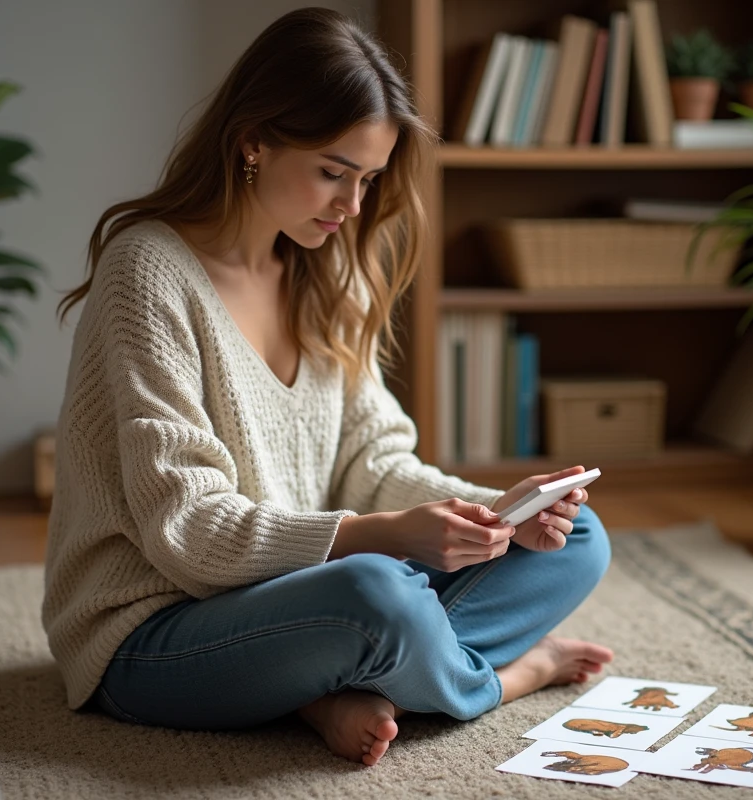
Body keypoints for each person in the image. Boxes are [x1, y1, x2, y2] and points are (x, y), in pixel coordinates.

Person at [43, 6, 614, 768]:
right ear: (254, 141)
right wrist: (386, 535)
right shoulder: (146, 272)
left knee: (577, 538)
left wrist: (497, 514)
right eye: (331, 173)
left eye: (368, 179)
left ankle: (329, 685)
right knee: (378, 594)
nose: (351, 207)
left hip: (299, 597)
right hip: (153, 632)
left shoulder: (327, 269)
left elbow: (375, 466)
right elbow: (189, 534)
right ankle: (502, 680)